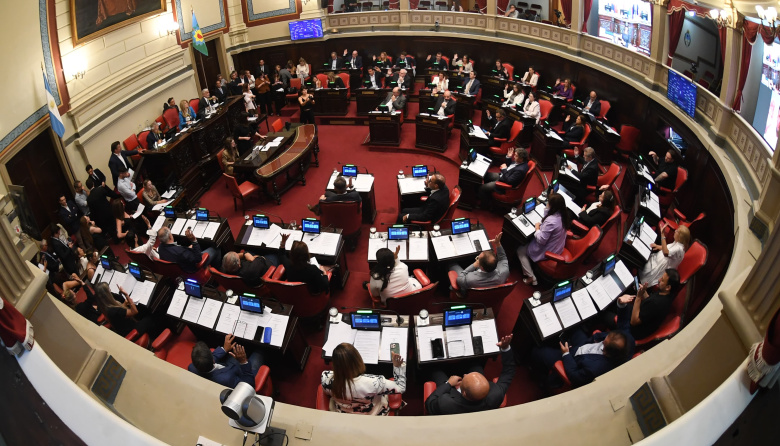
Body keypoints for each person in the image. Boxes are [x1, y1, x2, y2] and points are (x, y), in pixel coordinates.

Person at [425, 334, 514, 415]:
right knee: (476, 364)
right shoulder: (496, 395)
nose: (464, 374)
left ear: (463, 393)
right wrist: (505, 348)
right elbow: (508, 371)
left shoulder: (446, 404)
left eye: (465, 378)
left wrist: (448, 384)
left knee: (435, 370)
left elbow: (429, 403)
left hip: (452, 393)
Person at [531, 323, 633, 389]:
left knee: (538, 352)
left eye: (604, 342)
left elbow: (574, 375)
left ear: (606, 352)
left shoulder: (594, 368)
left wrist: (566, 353)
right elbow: (600, 336)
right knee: (573, 325)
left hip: (571, 359)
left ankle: (540, 376)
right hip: (582, 345)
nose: (604, 339)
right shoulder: (625, 341)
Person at [321, 343, 406, 415]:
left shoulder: (325, 378)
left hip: (345, 415)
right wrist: (397, 367)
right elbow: (401, 387)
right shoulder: (374, 382)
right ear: (358, 360)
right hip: (372, 415)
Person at [516, 193, 569, 286]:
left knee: (520, 250)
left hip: (548, 251)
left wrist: (537, 228)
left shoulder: (551, 221)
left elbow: (541, 240)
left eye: (548, 203)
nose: (547, 204)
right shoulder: (562, 214)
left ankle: (531, 277)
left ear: (552, 207)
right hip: (557, 246)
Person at [616, 269, 681, 340]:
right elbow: (649, 303)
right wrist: (643, 292)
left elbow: (634, 321)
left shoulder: (657, 303)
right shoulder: (666, 294)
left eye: (662, 280)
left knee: (607, 314)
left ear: (668, 287)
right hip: (640, 313)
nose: (659, 280)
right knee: (618, 304)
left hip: (632, 330)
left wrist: (638, 296)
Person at [189, 335, 265, 388]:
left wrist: (224, 349)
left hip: (229, 367)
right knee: (260, 350)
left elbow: (208, 358)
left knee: (239, 345)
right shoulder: (226, 379)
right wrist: (244, 362)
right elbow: (248, 385)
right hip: (245, 374)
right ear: (213, 361)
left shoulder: (192, 367)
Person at [93, 282, 161, 337]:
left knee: (142, 313)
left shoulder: (103, 306)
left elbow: (119, 314)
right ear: (107, 294)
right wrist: (126, 295)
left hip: (122, 328)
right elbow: (134, 311)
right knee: (152, 317)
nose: (110, 290)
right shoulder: (113, 310)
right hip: (131, 330)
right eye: (109, 289)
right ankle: (156, 335)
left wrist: (124, 304)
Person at [157, 226, 222, 271]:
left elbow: (179, 253)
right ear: (170, 237)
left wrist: (187, 249)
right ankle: (217, 271)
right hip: (193, 268)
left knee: (197, 246)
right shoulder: (180, 252)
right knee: (216, 249)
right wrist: (194, 241)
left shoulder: (160, 247)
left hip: (181, 264)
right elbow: (198, 259)